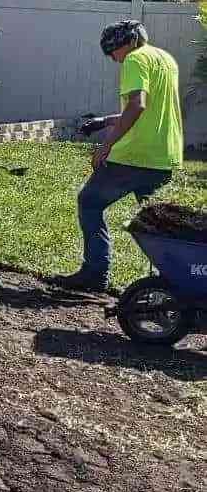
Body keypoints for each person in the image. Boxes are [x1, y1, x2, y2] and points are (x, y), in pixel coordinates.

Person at [49, 21, 183, 292]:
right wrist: (104, 121)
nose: (114, 59)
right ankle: (173, 282)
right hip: (164, 155)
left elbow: (138, 104)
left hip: (134, 156)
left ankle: (95, 274)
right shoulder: (165, 59)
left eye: (113, 53)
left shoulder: (135, 59)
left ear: (127, 43)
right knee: (159, 224)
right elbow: (149, 109)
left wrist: (106, 145)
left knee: (89, 202)